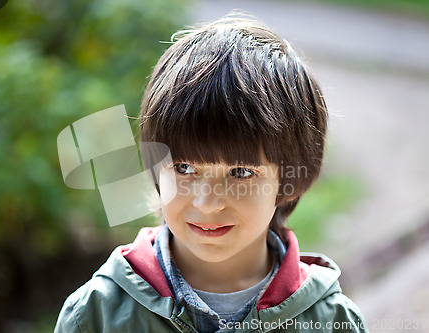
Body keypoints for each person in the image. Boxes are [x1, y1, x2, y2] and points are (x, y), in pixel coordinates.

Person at [54, 14, 367, 333]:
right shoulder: (95, 316)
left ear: (290, 183)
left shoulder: (331, 323)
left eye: (241, 172)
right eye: (184, 168)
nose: (206, 204)